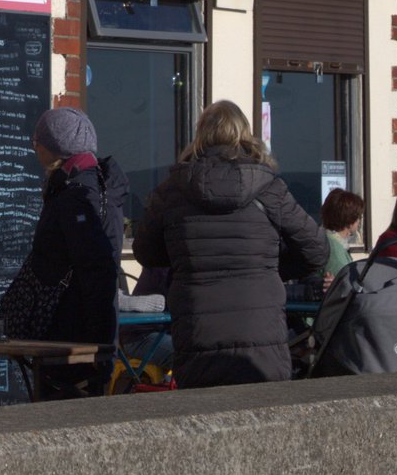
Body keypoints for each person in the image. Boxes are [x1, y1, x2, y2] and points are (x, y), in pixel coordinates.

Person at [134, 100, 329, 387]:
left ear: (200, 135)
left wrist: (187, 257)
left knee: (203, 410)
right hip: (261, 335)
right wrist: (269, 267)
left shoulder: (172, 191)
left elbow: (146, 253)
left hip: (197, 332)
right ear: (244, 134)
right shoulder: (269, 188)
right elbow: (317, 251)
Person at [1, 106, 129, 398]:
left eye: (38, 140)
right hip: (79, 337)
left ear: (56, 147)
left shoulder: (76, 196)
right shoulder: (95, 185)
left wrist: (100, 348)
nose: (34, 146)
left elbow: (97, 270)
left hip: (70, 337)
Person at [320, 188, 367, 278]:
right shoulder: (335, 251)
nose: (359, 221)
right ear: (350, 220)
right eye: (358, 217)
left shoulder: (327, 239)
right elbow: (344, 281)